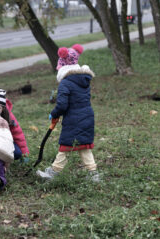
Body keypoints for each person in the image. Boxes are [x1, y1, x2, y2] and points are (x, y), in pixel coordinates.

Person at [36, 44, 100, 182]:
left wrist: (54, 114)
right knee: (84, 146)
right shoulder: (83, 80)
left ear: (63, 66)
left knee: (65, 147)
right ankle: (93, 174)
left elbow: (62, 105)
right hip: (87, 116)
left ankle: (54, 172)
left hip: (73, 119)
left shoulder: (65, 83)